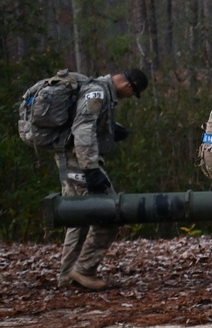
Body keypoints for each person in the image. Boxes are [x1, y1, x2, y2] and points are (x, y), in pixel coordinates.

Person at [56, 68, 148, 290]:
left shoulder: (96, 88)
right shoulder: (97, 92)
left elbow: (85, 122)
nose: (128, 98)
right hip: (80, 164)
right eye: (132, 94)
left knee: (77, 218)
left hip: (68, 161)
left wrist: (111, 130)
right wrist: (91, 169)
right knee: (110, 213)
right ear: (129, 85)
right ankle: (83, 270)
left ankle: (68, 276)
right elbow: (83, 129)